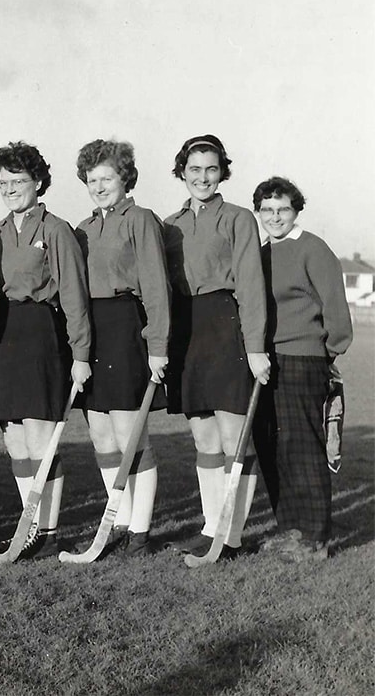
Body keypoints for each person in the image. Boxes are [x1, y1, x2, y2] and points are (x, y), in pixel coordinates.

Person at [163, 134, 270, 558]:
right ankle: (212, 528)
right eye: (194, 169)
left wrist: (256, 346)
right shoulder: (170, 224)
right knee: (203, 437)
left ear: (222, 171)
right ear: (182, 173)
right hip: (188, 331)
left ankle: (233, 535)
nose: (202, 177)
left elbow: (251, 286)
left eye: (211, 169)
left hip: (227, 325)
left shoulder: (239, 218)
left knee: (233, 437)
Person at [0, 141, 91, 559]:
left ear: (38, 181)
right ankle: (27, 525)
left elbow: (74, 296)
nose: (11, 188)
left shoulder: (55, 229)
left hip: (41, 333)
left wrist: (81, 354)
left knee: (39, 439)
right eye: (3, 182)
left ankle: (47, 532)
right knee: (15, 442)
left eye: (19, 181)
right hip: (5, 336)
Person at [74, 139, 170, 555]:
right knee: (101, 436)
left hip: (127, 328)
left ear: (124, 177)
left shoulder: (142, 219)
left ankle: (141, 531)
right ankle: (121, 520)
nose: (99, 186)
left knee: (131, 433)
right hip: (92, 331)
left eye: (107, 177)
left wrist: (158, 345)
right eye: (92, 179)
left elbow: (156, 287)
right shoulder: (84, 227)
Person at [251, 177, 352, 562]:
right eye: (267, 210)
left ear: (296, 210)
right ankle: (290, 529)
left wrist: (326, 355)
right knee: (273, 447)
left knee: (303, 449)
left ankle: (314, 540)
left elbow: (337, 314)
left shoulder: (313, 249)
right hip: (266, 362)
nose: (275, 217)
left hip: (304, 360)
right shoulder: (261, 252)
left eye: (283, 209)